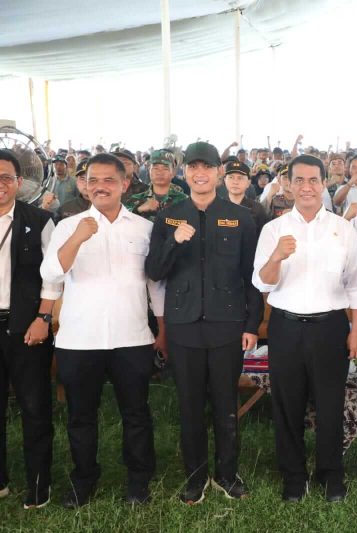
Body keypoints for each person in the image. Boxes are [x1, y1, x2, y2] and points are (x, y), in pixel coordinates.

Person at [40, 153, 166, 508]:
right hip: (80, 339)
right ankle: (83, 479)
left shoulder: (143, 228)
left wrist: (163, 330)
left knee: (136, 414)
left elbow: (155, 284)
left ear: (125, 183)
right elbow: (51, 274)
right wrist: (78, 238)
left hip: (132, 337)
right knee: (81, 416)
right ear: (84, 185)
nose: (100, 186)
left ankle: (138, 480)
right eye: (93, 180)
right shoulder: (68, 226)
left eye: (109, 180)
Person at [145, 142, 262, 505]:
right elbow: (154, 271)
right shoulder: (169, 217)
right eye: (193, 167)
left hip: (227, 324)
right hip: (184, 325)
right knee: (190, 406)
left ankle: (227, 474)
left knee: (226, 405)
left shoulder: (241, 217)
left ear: (218, 173)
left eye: (207, 167)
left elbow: (253, 276)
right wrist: (173, 242)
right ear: (185, 172)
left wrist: (252, 324)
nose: (200, 173)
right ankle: (195, 478)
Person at [252, 154, 357, 503]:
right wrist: (276, 257)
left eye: (313, 180)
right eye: (298, 180)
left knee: (330, 404)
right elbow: (262, 283)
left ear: (324, 183)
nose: (306, 187)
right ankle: (293, 476)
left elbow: (355, 283)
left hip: (330, 327)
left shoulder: (342, 229)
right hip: (286, 327)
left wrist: (356, 328)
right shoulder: (273, 229)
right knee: (287, 405)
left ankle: (331, 475)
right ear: (288, 184)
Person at [0, 149, 59, 510]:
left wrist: (43, 318)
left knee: (35, 407)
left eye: (6, 177)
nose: (0, 184)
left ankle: (39, 484)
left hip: (27, 328)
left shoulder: (39, 220)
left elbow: (53, 276)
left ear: (20, 182)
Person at [125, 149, 188, 222]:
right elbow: (122, 221)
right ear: (149, 170)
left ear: (173, 173)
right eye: (155, 168)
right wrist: (138, 209)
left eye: (165, 168)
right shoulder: (134, 199)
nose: (159, 173)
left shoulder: (184, 201)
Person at [223, 160, 268, 233]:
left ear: (248, 183)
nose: (235, 182)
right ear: (225, 180)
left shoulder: (257, 210)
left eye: (240, 178)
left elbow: (264, 236)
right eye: (231, 177)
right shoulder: (216, 207)